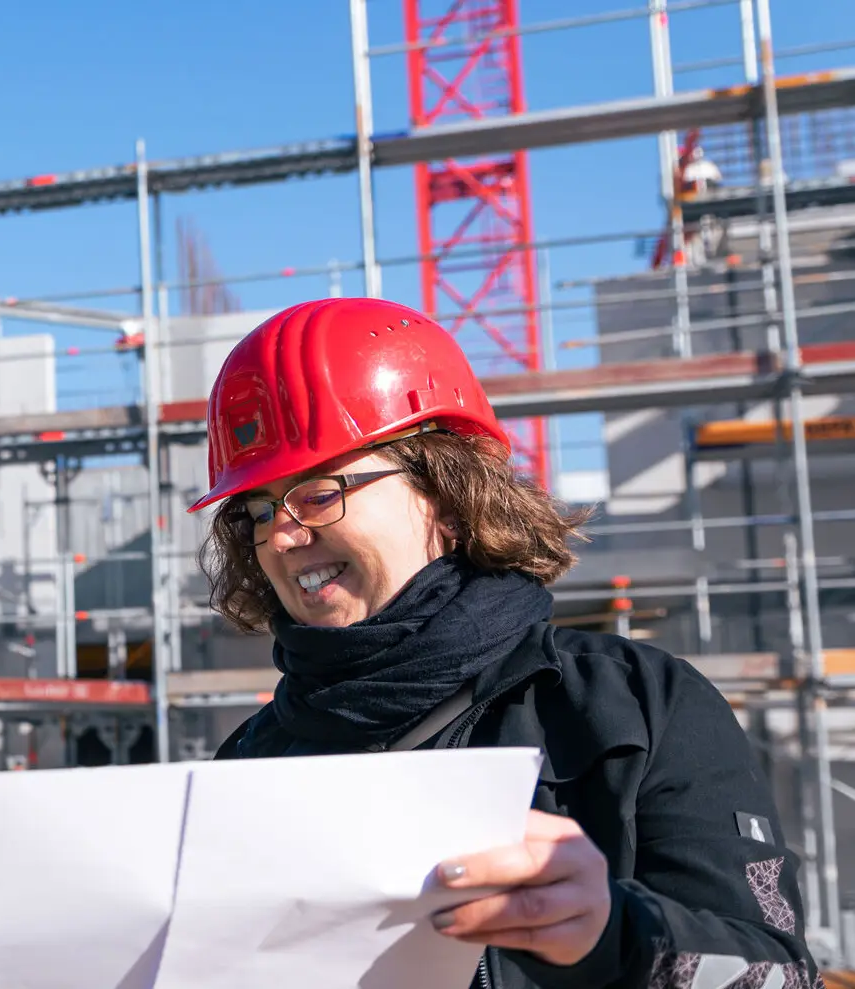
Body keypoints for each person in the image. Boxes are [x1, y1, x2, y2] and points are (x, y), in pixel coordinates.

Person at [192, 297, 816, 988]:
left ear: (448, 491)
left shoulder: (638, 707)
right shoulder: (252, 762)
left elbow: (781, 976)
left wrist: (615, 933)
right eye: (258, 508)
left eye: (319, 492)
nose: (280, 535)